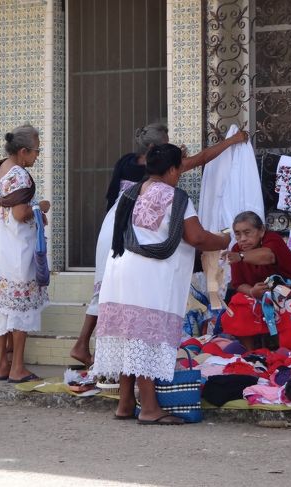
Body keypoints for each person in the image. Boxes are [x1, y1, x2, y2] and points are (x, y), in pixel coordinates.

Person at [70, 123, 249, 366]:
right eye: (166, 145)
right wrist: (233, 140)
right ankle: (120, 363)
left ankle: (88, 347)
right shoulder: (163, 176)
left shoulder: (128, 162)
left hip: (115, 226)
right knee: (136, 307)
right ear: (159, 154)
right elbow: (203, 159)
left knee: (109, 291)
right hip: (130, 233)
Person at [92, 143, 231, 424]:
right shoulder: (175, 197)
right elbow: (197, 238)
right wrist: (225, 240)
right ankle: (150, 408)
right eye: (179, 168)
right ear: (171, 169)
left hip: (119, 269)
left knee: (129, 335)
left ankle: (125, 402)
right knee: (145, 336)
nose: (179, 174)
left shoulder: (130, 192)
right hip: (148, 275)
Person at [0, 124, 50, 383]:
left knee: (2, 309)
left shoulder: (0, 168)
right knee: (21, 309)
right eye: (36, 151)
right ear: (23, 151)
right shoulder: (20, 175)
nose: (37, 156)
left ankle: (2, 365)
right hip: (17, 252)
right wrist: (40, 208)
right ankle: (18, 367)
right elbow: (20, 214)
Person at [221, 211, 291, 352]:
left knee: (287, 305)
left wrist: (240, 256)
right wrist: (252, 291)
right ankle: (250, 354)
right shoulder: (236, 249)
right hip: (261, 292)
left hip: (289, 289)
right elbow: (238, 283)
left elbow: (268, 256)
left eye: (247, 233)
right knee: (238, 302)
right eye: (238, 234)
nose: (242, 239)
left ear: (261, 231)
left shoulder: (272, 240)